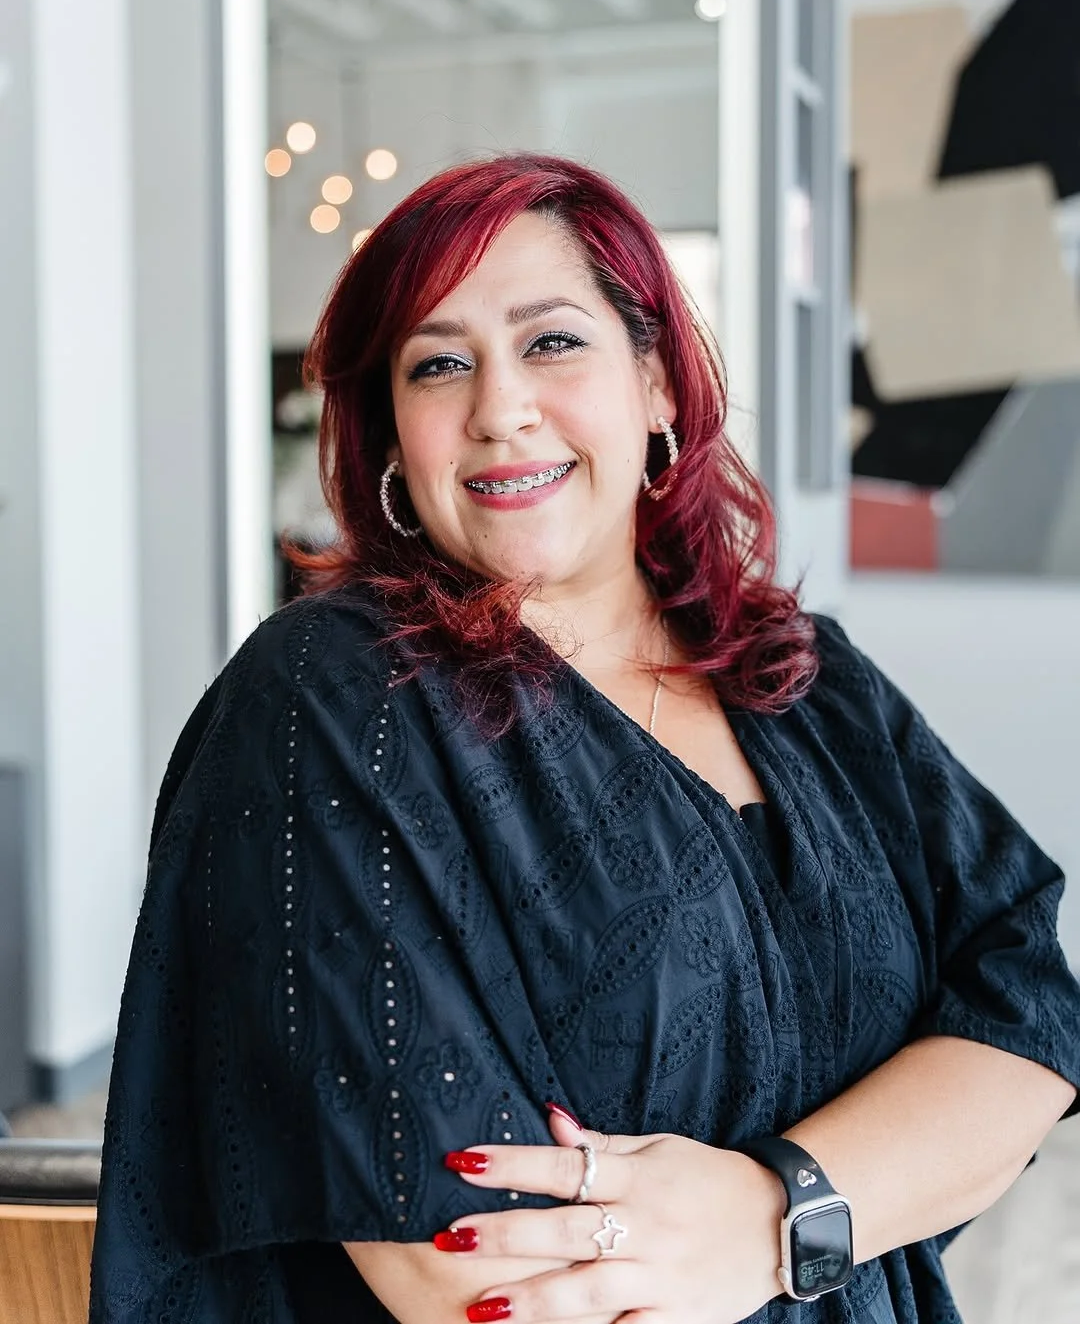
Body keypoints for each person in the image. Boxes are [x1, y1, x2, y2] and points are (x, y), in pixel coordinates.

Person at [89, 153, 1080, 1324]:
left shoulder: (806, 680)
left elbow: (1030, 1017)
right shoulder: (329, 702)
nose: (500, 409)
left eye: (552, 342)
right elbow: (474, 1271)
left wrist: (780, 1210)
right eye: (439, 363)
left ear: (656, 382)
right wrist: (878, 1177)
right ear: (392, 436)